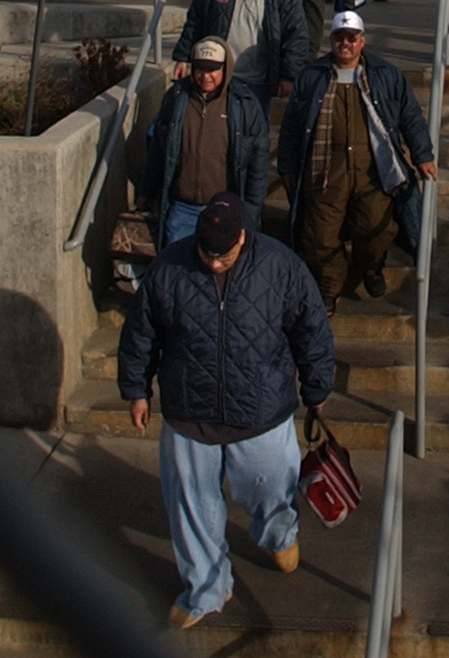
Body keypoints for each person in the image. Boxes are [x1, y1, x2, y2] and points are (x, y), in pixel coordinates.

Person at [118, 192, 335, 629]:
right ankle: (206, 589)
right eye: (206, 255)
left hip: (260, 411)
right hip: (188, 410)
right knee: (191, 508)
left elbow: (311, 328)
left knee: (271, 487)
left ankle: (278, 534)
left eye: (224, 256)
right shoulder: (170, 267)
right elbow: (141, 332)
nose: (215, 264)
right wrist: (136, 390)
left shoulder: (280, 265)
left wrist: (317, 387)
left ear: (241, 238)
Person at [276, 10, 435, 312]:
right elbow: (292, 127)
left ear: (362, 41)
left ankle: (370, 268)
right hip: (325, 169)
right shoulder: (312, 76)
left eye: (352, 37)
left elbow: (410, 116)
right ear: (331, 40)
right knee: (319, 235)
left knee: (378, 228)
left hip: (373, 169)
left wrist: (422, 156)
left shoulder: (386, 74)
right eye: (339, 37)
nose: (345, 43)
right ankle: (329, 287)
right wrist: (287, 166)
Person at [142, 38, 272, 250]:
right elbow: (158, 148)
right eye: (200, 69)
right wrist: (146, 191)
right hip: (182, 208)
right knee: (178, 265)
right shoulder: (176, 98)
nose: (206, 76)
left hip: (224, 209)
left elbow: (258, 160)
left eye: (213, 70)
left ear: (225, 68)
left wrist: (252, 208)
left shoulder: (245, 104)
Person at [169, 0, 310, 103]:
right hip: (219, 78)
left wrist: (288, 76)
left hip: (259, 82)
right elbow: (195, 21)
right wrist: (183, 57)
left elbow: (297, 37)